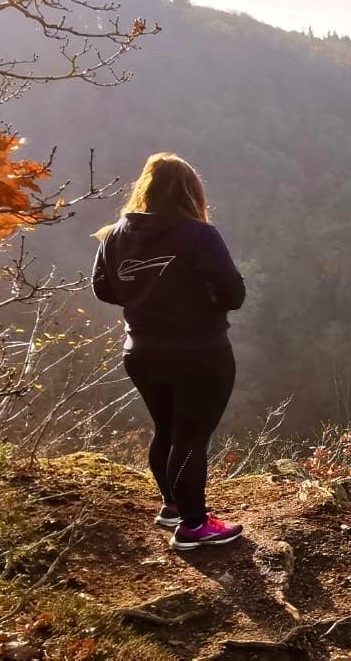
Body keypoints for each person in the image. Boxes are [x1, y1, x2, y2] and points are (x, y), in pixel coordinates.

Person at [92, 153, 246, 550]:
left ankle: (173, 507)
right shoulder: (198, 235)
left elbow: (104, 289)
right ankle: (195, 526)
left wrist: (145, 300)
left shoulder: (113, 235)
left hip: (141, 351)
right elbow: (233, 294)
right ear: (191, 191)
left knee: (167, 430)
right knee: (191, 437)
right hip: (200, 351)